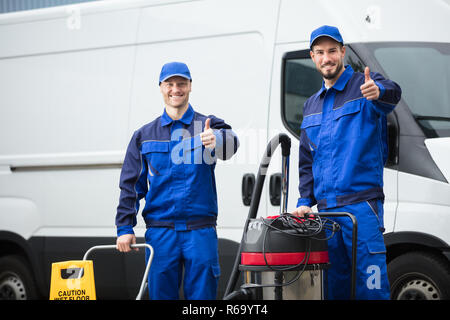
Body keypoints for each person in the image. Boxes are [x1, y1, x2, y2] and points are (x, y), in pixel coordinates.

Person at [292, 25, 402, 299]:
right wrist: (305, 200)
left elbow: (393, 92)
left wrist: (379, 91)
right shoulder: (311, 105)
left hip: (362, 207)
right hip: (327, 213)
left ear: (342, 52)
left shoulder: (364, 85)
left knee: (372, 287)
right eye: (320, 52)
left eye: (332, 51)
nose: (326, 58)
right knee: (332, 289)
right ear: (312, 57)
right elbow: (307, 158)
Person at [115, 61, 239, 300]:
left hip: (200, 232)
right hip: (161, 235)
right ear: (161, 87)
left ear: (190, 86)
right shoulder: (144, 135)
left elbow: (232, 143)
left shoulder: (207, 125)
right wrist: (124, 227)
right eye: (169, 84)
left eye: (181, 83)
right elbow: (131, 185)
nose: (176, 89)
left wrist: (219, 139)